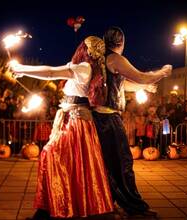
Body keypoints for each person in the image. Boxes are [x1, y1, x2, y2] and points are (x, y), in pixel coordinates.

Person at [11, 36, 114, 219]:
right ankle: (54, 208)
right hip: (72, 120)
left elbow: (51, 72)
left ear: (83, 49)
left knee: (52, 157)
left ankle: (58, 208)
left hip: (76, 122)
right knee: (70, 164)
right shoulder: (86, 67)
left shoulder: (84, 67)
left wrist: (22, 69)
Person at [92, 26, 172, 217]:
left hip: (101, 118)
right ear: (121, 42)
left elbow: (121, 83)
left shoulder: (103, 60)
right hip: (108, 118)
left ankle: (108, 203)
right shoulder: (115, 58)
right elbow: (141, 75)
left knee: (109, 164)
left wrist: (142, 87)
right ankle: (134, 207)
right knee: (123, 163)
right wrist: (162, 72)